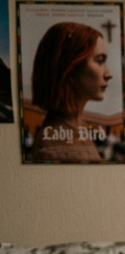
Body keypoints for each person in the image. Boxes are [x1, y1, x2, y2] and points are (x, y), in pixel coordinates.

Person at [29, 22, 111, 162]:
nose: (109, 74)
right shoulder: (55, 143)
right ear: (70, 67)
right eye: (99, 61)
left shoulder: (76, 127)